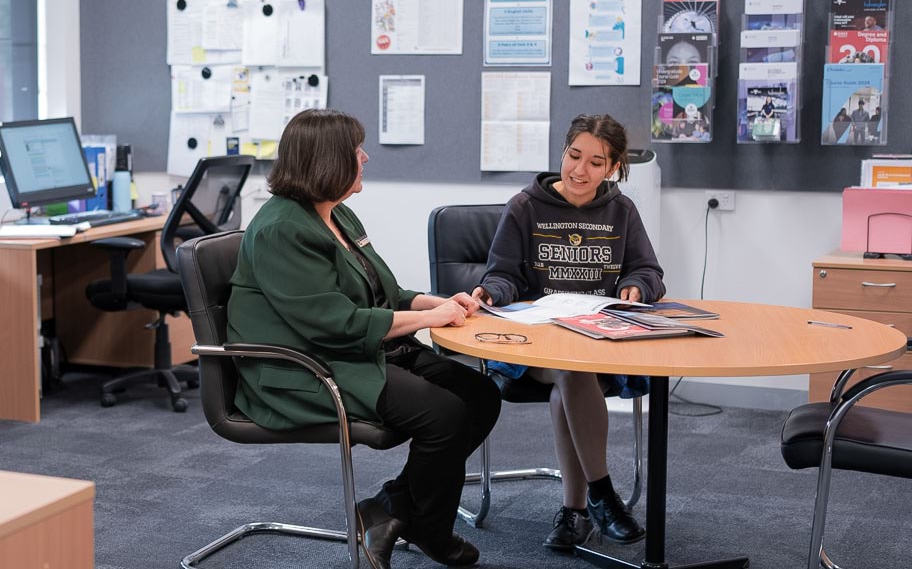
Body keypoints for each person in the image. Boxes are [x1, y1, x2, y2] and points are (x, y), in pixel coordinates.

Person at [229, 109, 502, 569]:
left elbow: (386, 292)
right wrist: (429, 318)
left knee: (480, 395)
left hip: (354, 350)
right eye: (356, 151)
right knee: (445, 415)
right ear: (328, 161)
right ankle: (429, 529)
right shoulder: (282, 229)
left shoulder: (337, 214)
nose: (366, 158)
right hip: (306, 367)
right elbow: (333, 324)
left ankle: (391, 507)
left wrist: (435, 303)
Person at [471, 114, 665, 554]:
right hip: (535, 347)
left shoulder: (622, 211)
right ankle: (603, 495)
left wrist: (638, 285)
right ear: (562, 152)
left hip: (598, 343)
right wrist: (491, 291)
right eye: (574, 156)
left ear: (613, 167)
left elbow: (648, 270)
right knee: (568, 371)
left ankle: (574, 512)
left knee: (571, 381)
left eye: (596, 163)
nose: (580, 170)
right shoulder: (525, 206)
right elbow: (503, 274)